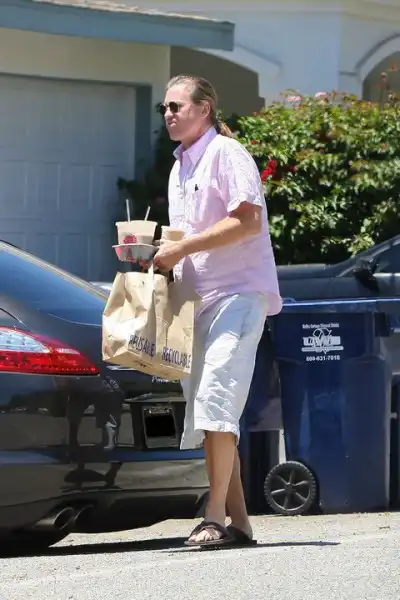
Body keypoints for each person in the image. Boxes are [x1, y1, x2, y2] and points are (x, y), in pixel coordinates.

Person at [153, 75, 282, 548]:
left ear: (204, 108)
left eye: (177, 106)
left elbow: (248, 221)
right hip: (198, 302)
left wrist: (182, 247)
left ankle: (212, 517)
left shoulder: (227, 154)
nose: (168, 114)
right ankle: (240, 522)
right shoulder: (179, 167)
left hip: (238, 295)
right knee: (211, 415)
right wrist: (156, 254)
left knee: (215, 403)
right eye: (164, 108)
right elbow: (186, 237)